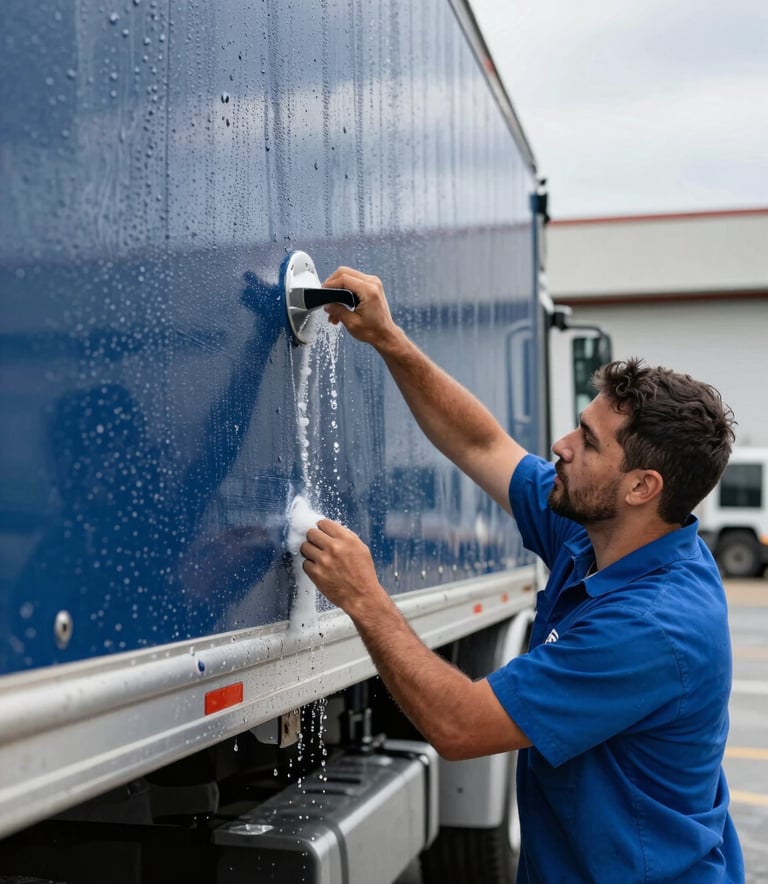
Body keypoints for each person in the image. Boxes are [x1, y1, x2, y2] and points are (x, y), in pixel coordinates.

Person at [298, 266, 745, 882]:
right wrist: (388, 338)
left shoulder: (652, 628)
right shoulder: (599, 532)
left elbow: (458, 726)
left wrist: (365, 599)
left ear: (643, 487)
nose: (561, 445)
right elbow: (482, 444)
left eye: (589, 442)